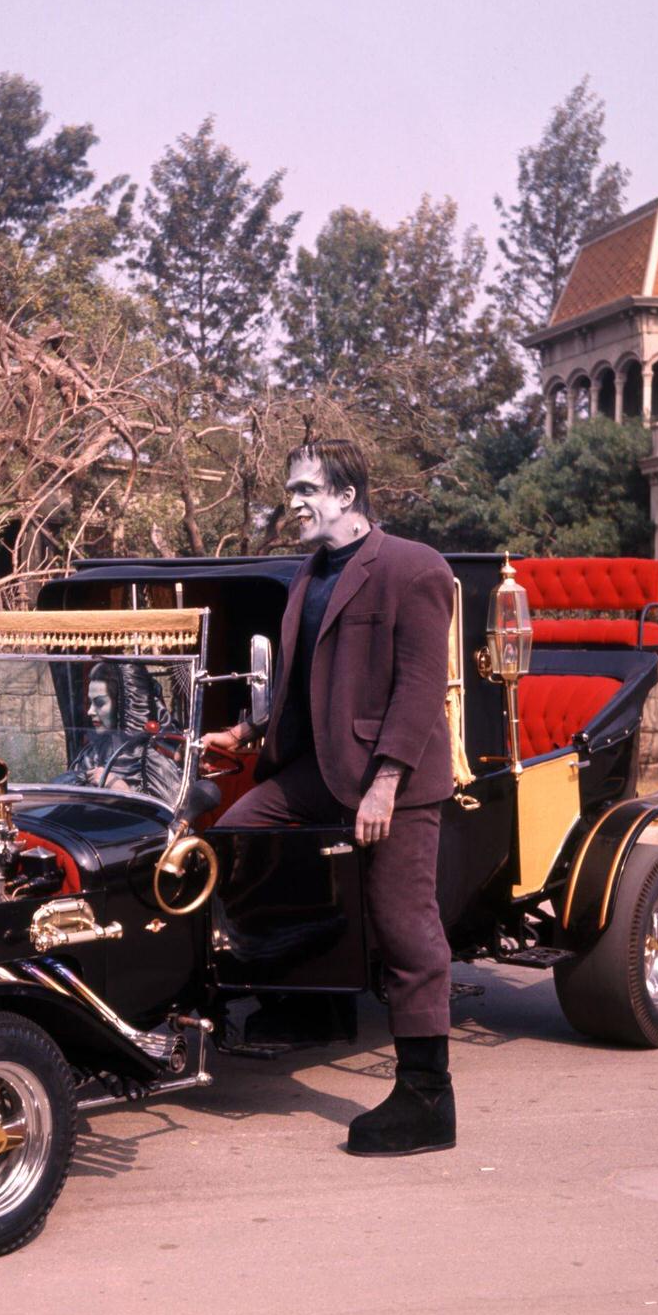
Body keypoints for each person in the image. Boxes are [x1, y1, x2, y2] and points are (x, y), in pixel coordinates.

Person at [204, 438, 456, 1157]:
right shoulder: (306, 574)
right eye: (291, 492)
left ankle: (427, 1098)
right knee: (240, 836)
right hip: (320, 768)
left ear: (348, 496)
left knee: (404, 927)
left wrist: (385, 783)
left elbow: (419, 687)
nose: (296, 504)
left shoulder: (414, 568)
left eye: (307, 490)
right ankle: (303, 1007)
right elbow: (300, 682)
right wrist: (248, 734)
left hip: (393, 777)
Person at [57, 661, 183, 804]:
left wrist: (123, 791)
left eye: (99, 703)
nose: (90, 711)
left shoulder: (153, 759)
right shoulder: (91, 755)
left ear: (124, 703)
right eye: (90, 702)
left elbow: (173, 818)